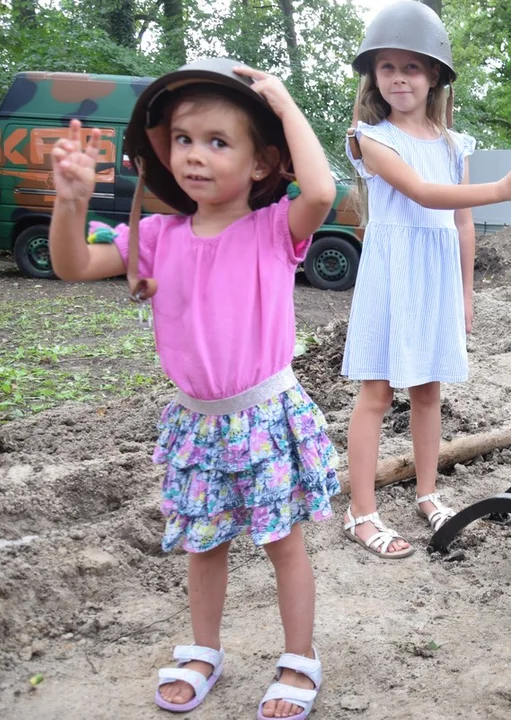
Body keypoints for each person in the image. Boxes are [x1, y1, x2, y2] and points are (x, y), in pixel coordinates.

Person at [48, 57, 339, 719]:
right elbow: (73, 265)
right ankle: (204, 649)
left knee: (282, 544)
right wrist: (70, 203)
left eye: (217, 141)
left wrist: (284, 101)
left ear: (263, 162)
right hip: (197, 423)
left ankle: (299, 658)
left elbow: (320, 192)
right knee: (204, 545)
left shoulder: (272, 230)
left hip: (263, 414)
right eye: (182, 139)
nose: (195, 156)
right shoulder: (157, 236)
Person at [339, 0, 511, 558]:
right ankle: (361, 512)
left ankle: (428, 493)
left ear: (434, 77)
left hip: (436, 276)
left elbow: (461, 223)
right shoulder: (370, 137)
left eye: (412, 67)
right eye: (387, 67)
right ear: (374, 76)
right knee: (376, 393)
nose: (399, 78)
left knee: (428, 391)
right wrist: (501, 189)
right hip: (391, 272)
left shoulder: (455, 144)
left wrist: (466, 291)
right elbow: (423, 195)